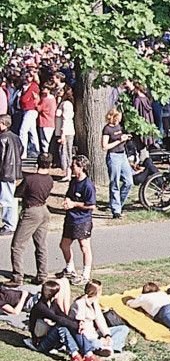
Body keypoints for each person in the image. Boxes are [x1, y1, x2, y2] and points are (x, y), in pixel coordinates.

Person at [29, 279, 103, 361]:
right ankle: (75, 355)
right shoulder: (40, 307)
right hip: (40, 343)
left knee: (69, 325)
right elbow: (58, 319)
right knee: (62, 327)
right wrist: (76, 326)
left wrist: (78, 324)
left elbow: (62, 315)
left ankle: (88, 354)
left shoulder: (52, 303)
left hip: (52, 340)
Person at [10, 153, 55, 287]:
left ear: (37, 163)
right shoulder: (50, 180)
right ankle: (42, 274)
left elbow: (18, 192)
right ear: (50, 164)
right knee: (41, 244)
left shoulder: (30, 179)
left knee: (17, 246)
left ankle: (17, 277)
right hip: (44, 210)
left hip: (31, 212)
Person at [59, 155, 95, 286]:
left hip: (82, 220)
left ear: (81, 167)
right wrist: (67, 202)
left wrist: (74, 204)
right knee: (64, 245)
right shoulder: (73, 181)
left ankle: (85, 274)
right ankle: (70, 269)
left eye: (73, 166)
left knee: (84, 247)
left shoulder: (88, 185)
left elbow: (91, 205)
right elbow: (69, 196)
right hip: (70, 218)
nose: (71, 168)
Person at [72, 280, 130, 355]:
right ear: (97, 292)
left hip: (94, 333)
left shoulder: (94, 302)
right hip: (86, 336)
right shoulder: (80, 303)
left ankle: (110, 347)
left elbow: (100, 320)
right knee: (93, 343)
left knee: (123, 329)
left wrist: (107, 335)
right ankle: (105, 347)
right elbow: (81, 329)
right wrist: (99, 339)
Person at [101, 108, 134, 220]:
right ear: (113, 117)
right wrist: (119, 140)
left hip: (122, 155)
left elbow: (121, 139)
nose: (119, 120)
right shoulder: (107, 129)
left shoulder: (120, 127)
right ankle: (116, 211)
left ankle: (118, 203)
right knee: (114, 182)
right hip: (113, 156)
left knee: (129, 181)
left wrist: (125, 139)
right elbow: (105, 146)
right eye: (118, 118)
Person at [0, 114, 22, 236]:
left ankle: (9, 225)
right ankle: (12, 223)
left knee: (6, 199)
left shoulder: (2, 138)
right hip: (15, 171)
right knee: (12, 198)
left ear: (3, 124)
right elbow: (21, 150)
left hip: (5, 172)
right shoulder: (16, 137)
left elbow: (1, 156)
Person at [56, 85, 75, 173]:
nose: (59, 91)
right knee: (63, 151)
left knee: (66, 151)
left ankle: (68, 172)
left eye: (61, 90)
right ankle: (67, 172)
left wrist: (63, 134)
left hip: (66, 131)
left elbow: (66, 118)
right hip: (63, 131)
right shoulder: (62, 103)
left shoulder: (67, 104)